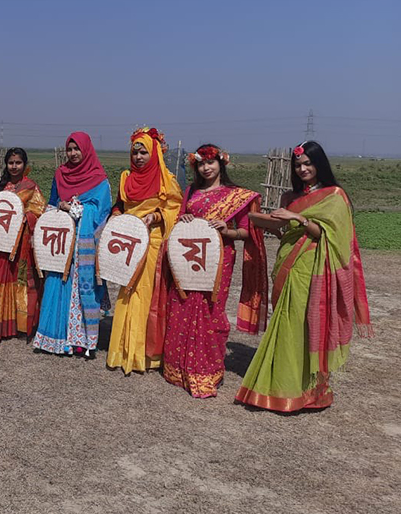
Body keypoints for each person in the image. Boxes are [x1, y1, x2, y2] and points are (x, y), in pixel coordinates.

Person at [236, 141, 372, 412]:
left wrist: (297, 217)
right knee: (286, 321)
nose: (302, 169)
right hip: (288, 261)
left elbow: (331, 236)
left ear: (319, 164)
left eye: (308, 163)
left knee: (306, 323)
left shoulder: (334, 196)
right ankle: (281, 385)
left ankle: (310, 391)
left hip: (313, 265)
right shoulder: (290, 196)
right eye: (297, 165)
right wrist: (269, 223)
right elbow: (286, 229)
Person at [147, 144, 267, 398]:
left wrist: (228, 230)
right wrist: (185, 220)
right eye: (201, 164)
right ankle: (178, 368)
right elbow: (179, 218)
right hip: (187, 255)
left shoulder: (235, 196)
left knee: (211, 310)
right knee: (182, 304)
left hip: (218, 258)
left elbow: (246, 232)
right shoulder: (190, 191)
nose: (206, 168)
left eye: (211, 162)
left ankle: (207, 370)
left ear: (221, 164)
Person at [106, 127, 182, 374]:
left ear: (154, 153)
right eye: (135, 152)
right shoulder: (126, 178)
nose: (138, 157)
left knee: (147, 294)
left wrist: (157, 216)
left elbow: (175, 209)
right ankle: (121, 350)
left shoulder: (165, 179)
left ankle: (144, 355)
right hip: (128, 240)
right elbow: (119, 205)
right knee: (126, 291)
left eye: (143, 152)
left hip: (153, 241)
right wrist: (116, 216)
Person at [33, 132, 112, 356]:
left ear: (86, 150)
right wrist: (57, 209)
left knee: (79, 288)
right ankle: (52, 337)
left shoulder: (99, 180)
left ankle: (80, 341)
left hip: (83, 242)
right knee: (56, 282)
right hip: (61, 241)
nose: (73, 153)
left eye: (77, 149)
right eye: (70, 149)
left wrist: (77, 210)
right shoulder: (61, 174)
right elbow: (52, 202)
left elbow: (102, 213)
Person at [0, 148, 46, 340]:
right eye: (11, 163)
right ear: (6, 164)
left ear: (25, 165)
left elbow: (39, 211)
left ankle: (17, 325)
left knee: (19, 280)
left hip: (20, 243)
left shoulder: (30, 186)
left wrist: (26, 217)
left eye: (18, 163)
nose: (14, 166)